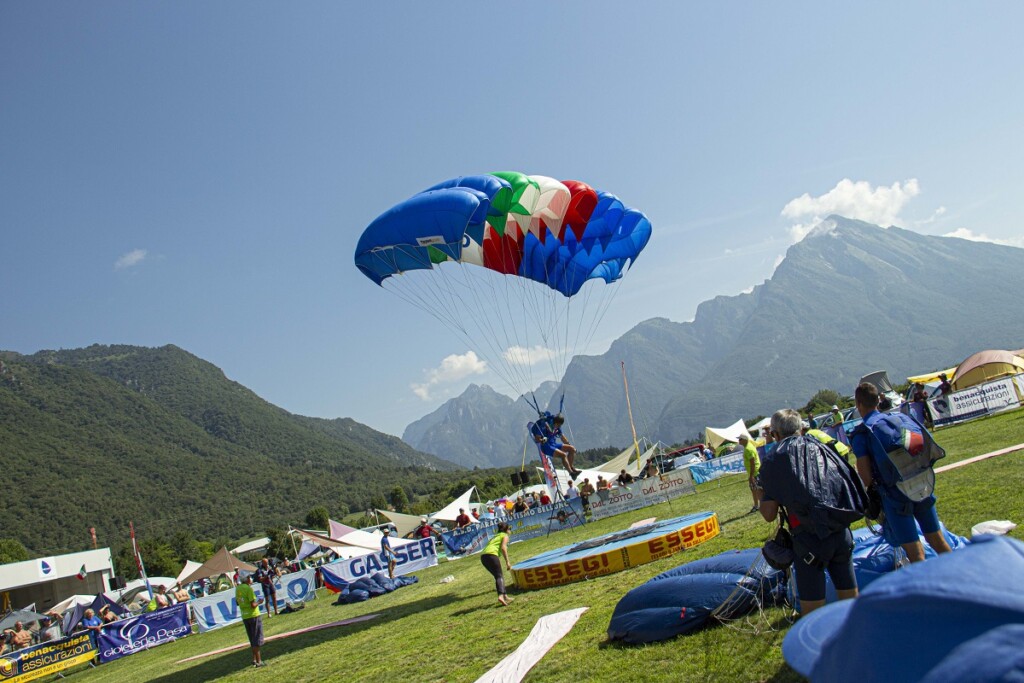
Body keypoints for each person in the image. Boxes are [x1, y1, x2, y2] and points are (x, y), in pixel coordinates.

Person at [757, 408, 860, 616]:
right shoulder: (822, 446)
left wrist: (760, 491)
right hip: (840, 531)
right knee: (851, 602)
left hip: (809, 541)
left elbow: (768, 514)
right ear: (801, 428)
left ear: (775, 435)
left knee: (813, 615)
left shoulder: (773, 460)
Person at [851, 382, 951, 563]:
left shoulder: (863, 432)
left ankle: (925, 588)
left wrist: (872, 491)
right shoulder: (898, 419)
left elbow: (865, 473)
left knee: (914, 551)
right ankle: (963, 577)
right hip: (922, 483)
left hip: (895, 494)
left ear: (859, 404)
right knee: (937, 539)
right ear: (877, 401)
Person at [531, 413, 580, 479]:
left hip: (554, 444)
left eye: (560, 425)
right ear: (555, 422)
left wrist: (569, 445)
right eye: (558, 424)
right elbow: (537, 438)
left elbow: (562, 437)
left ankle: (570, 467)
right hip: (546, 447)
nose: (559, 426)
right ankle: (571, 473)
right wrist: (542, 440)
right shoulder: (544, 425)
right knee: (563, 455)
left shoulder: (558, 427)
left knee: (572, 449)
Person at [235, 573, 265, 668]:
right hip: (253, 615)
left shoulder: (238, 588)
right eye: (249, 577)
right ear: (247, 579)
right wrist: (259, 601)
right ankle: (259, 661)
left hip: (245, 616)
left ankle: (254, 659)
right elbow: (253, 605)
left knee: (252, 638)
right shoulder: (248, 589)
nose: (250, 579)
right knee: (256, 638)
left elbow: (237, 602)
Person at [480, 521, 513, 607]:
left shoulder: (496, 536)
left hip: (483, 556)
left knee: (498, 576)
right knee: (499, 576)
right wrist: (507, 562)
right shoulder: (505, 536)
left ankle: (505, 596)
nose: (510, 531)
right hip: (491, 555)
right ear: (506, 530)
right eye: (510, 529)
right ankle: (501, 596)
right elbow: (503, 548)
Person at [740, 434, 761, 513]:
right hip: (754, 472)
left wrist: (751, 476)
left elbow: (752, 462)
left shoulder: (748, 449)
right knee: (754, 489)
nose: (739, 441)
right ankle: (757, 505)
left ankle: (757, 505)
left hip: (755, 473)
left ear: (745, 440)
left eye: (740, 439)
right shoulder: (749, 446)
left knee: (756, 489)